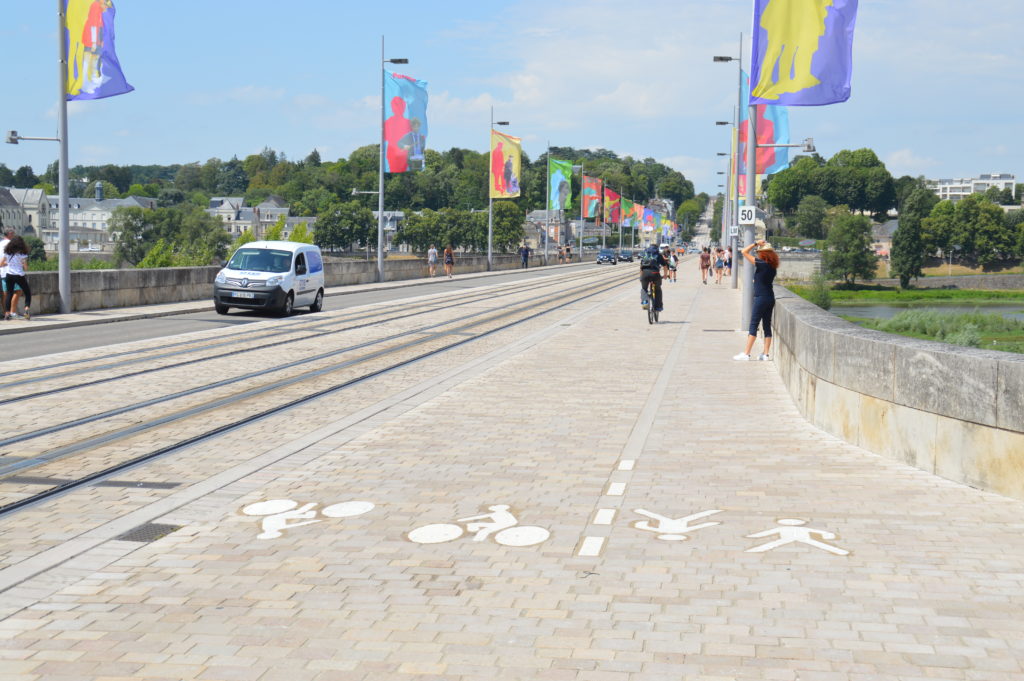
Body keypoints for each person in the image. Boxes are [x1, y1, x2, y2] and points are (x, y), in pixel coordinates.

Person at [734, 241, 779, 361]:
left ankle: (746, 353)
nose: (758, 254)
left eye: (759, 252)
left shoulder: (761, 263)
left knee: (753, 324)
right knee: (767, 326)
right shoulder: (773, 266)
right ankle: (765, 354)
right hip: (770, 297)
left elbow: (744, 252)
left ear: (763, 254)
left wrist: (755, 243)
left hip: (761, 298)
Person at [1, 236, 32, 321]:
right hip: (19, 275)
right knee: (27, 292)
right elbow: (25, 268)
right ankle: (26, 310)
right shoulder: (22, 254)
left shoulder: (7, 253)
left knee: (9, 294)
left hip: (9, 275)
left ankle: (7, 314)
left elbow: (1, 264)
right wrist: (22, 265)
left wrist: (8, 264)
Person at [639, 245, 668, 312]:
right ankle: (658, 307)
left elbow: (641, 267)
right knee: (658, 289)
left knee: (644, 289)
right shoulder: (658, 255)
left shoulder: (645, 254)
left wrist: (641, 276)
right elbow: (665, 266)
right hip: (655, 274)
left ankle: (645, 303)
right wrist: (665, 275)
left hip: (645, 274)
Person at [0, 224, 17, 320]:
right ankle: (11, 312)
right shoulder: (10, 244)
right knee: (16, 291)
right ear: (10, 234)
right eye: (13, 233)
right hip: (9, 271)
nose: (14, 235)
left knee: (4, 292)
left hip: (2, 271)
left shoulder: (1, 243)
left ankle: (5, 312)